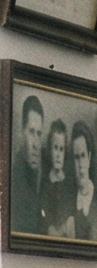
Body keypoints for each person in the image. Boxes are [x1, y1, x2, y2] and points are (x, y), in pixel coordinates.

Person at [11, 94, 47, 239]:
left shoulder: (43, 168)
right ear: (22, 131)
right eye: (31, 132)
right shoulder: (15, 177)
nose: (35, 142)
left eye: (39, 134)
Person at [66, 122, 97, 243]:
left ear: (89, 157)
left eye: (83, 156)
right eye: (76, 157)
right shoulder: (69, 198)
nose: (80, 165)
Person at [41, 121, 72, 239]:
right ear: (50, 150)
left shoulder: (68, 183)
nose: (58, 154)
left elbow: (69, 212)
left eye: (61, 149)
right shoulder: (45, 181)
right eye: (55, 148)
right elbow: (43, 211)